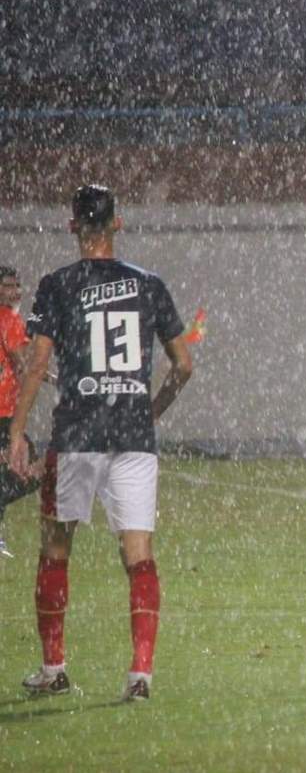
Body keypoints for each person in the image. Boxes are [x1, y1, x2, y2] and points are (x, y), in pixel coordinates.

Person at [6, 185, 193, 701]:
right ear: (118, 224)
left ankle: (54, 668)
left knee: (55, 549)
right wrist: (152, 409)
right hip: (132, 436)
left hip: (76, 434)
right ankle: (140, 676)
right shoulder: (148, 285)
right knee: (138, 555)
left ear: (73, 227)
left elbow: (37, 364)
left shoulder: (58, 285)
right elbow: (183, 364)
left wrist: (17, 431)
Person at [0, 266, 44, 557]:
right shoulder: (9, 319)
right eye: (8, 286)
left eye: (17, 285)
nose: (16, 291)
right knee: (31, 471)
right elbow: (23, 362)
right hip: (4, 413)